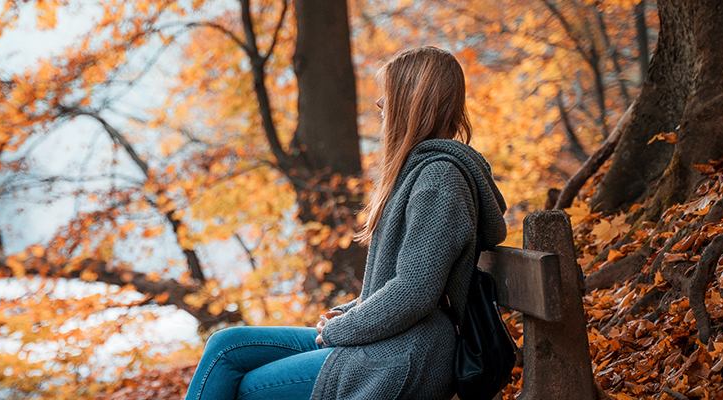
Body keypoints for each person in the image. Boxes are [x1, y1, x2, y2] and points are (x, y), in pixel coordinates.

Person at [182, 46, 509, 400]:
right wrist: (348, 311)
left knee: (248, 389)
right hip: (394, 338)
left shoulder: (439, 178)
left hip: (408, 353)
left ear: (410, 101)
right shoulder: (422, 172)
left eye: (389, 94)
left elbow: (414, 293)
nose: (381, 104)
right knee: (226, 346)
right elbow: (404, 281)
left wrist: (341, 329)